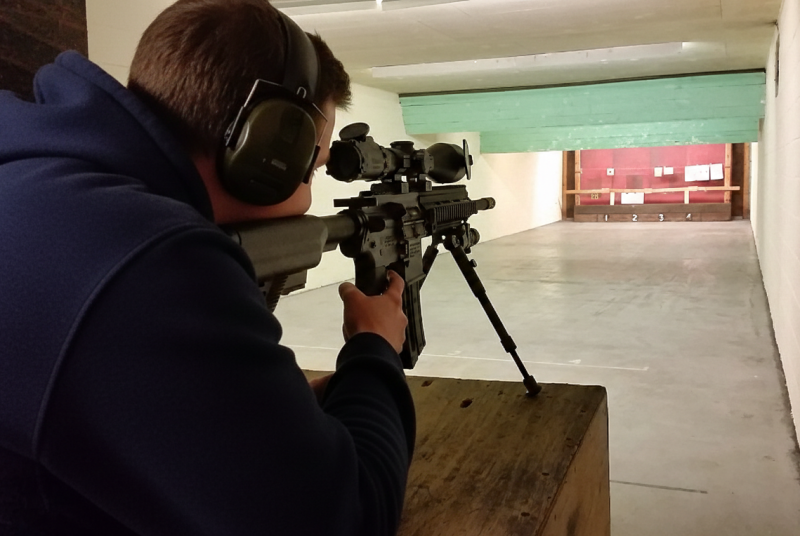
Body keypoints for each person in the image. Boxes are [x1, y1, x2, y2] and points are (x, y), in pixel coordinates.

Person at [0, 1, 415, 535]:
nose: (308, 200)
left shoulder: (37, 181)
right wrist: (375, 346)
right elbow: (347, 518)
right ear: (267, 151)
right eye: (309, 169)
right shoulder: (151, 257)